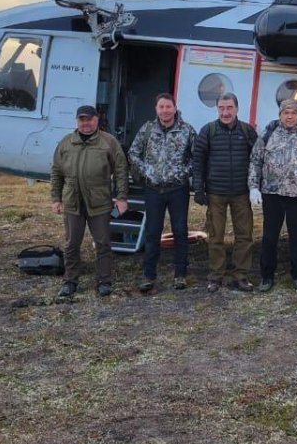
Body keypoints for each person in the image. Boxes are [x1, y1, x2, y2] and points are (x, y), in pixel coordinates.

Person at [50, 104, 129, 298]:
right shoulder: (66, 143)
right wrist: (55, 198)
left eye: (89, 119)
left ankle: (104, 281)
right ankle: (70, 281)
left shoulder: (108, 142)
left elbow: (120, 170)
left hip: (99, 202)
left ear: (97, 120)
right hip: (72, 202)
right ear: (77, 121)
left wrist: (122, 198)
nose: (86, 123)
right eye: (82, 120)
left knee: (103, 243)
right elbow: (56, 171)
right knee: (71, 244)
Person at [249, 99, 297, 292]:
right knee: (269, 237)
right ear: (280, 114)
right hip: (272, 194)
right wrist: (253, 187)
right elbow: (255, 161)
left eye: (293, 113)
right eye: (285, 113)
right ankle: (266, 276)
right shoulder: (267, 134)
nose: (289, 116)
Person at [128, 92, 196, 292]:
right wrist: (146, 170)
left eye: (168, 106)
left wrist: (183, 172)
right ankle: (149, 275)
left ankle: (180, 274)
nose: (165, 111)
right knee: (152, 232)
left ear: (175, 108)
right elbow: (133, 153)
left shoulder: (187, 130)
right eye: (161, 107)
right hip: (153, 190)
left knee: (180, 231)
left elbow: (197, 156)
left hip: (177, 189)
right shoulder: (147, 129)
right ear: (156, 109)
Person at [192, 92, 258, 292]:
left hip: (241, 192)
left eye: (229, 108)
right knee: (216, 236)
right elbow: (198, 162)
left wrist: (256, 187)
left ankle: (241, 275)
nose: (225, 112)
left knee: (244, 235)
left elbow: (257, 159)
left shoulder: (247, 131)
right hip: (216, 193)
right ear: (217, 109)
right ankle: (216, 276)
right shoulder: (208, 131)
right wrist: (198, 188)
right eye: (221, 108)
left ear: (237, 109)